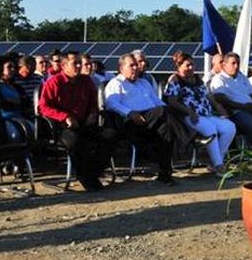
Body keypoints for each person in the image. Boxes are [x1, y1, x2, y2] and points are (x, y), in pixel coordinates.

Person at [38, 51, 117, 191]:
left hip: (85, 123)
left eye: (80, 62)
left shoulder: (86, 81)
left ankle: (93, 173)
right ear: (63, 66)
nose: (79, 66)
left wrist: (93, 114)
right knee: (76, 141)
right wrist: (64, 116)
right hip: (63, 127)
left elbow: (93, 103)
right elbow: (43, 107)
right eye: (75, 63)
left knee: (110, 136)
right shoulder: (54, 82)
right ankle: (85, 177)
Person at [104, 54, 177, 184]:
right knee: (166, 113)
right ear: (121, 68)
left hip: (152, 119)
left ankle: (165, 173)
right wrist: (130, 113)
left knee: (167, 128)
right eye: (131, 65)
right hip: (132, 122)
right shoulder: (116, 83)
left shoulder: (143, 83)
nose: (135, 68)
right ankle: (187, 136)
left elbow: (157, 102)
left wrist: (171, 113)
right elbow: (111, 103)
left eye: (136, 65)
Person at [164, 51, 236, 175]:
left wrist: (220, 110)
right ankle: (219, 166)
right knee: (210, 130)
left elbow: (208, 96)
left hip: (207, 114)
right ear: (179, 66)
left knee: (229, 127)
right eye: (187, 65)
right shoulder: (175, 80)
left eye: (192, 64)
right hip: (189, 116)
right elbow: (172, 101)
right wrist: (188, 111)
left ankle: (216, 162)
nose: (191, 68)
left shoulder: (197, 78)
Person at [0, 54, 35, 143]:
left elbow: (26, 103)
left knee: (35, 132)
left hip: (20, 118)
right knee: (15, 135)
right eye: (9, 67)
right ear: (1, 69)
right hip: (3, 120)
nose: (12, 70)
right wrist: (15, 103)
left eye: (13, 67)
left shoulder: (17, 87)